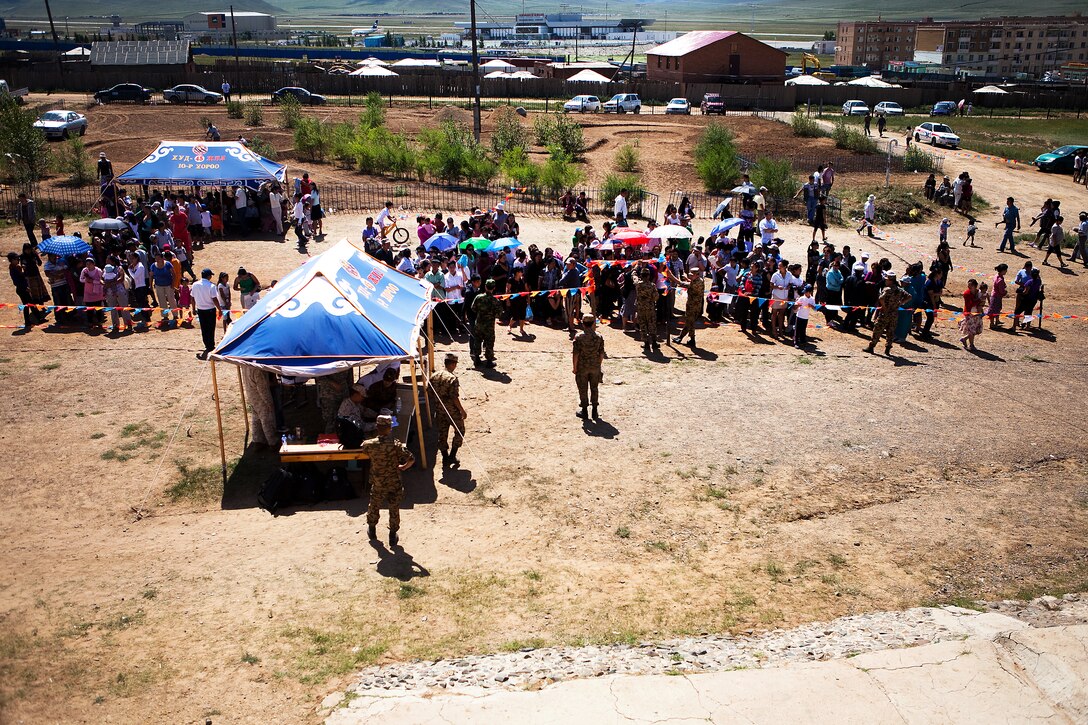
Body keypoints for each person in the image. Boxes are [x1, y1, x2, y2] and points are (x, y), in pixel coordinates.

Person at [360, 415, 414, 547]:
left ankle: (372, 530)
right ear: (390, 428)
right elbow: (411, 459)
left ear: (377, 427)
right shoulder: (396, 445)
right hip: (393, 481)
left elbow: (365, 451)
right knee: (394, 507)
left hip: (378, 481)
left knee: (374, 505)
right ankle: (392, 535)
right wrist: (403, 467)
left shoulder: (369, 445)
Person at [430, 353, 467, 468]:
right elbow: (454, 397)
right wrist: (462, 410)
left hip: (439, 410)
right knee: (460, 430)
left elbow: (429, 392)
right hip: (451, 411)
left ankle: (445, 457)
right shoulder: (452, 379)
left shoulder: (434, 376)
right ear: (452, 364)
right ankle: (452, 455)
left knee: (442, 433)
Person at [865, 273, 912, 355]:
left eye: (886, 279)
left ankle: (871, 347)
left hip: (885, 313)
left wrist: (884, 306)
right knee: (891, 332)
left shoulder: (887, 289)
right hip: (894, 314)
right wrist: (901, 303)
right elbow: (909, 296)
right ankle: (887, 349)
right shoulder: (899, 290)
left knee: (877, 330)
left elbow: (881, 298)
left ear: (891, 281)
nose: (885, 281)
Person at [571, 313, 605, 419]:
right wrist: (598, 365)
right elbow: (601, 354)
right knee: (594, 388)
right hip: (595, 366)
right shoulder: (599, 336)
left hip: (582, 367)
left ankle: (584, 410)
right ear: (593, 323)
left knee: (583, 388)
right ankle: (595, 410)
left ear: (583, 323)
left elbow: (575, 354)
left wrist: (575, 367)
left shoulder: (579, 337)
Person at [470, 279, 502, 367]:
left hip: (479, 323)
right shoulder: (496, 301)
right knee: (489, 342)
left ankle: (476, 359)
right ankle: (489, 361)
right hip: (489, 326)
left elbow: (473, 308)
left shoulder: (478, 297)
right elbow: (499, 314)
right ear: (494, 288)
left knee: (477, 341)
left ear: (485, 287)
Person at [192, 268, 221, 359]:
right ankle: (210, 345)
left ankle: (207, 344)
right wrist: (219, 309)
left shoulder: (195, 285)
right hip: (210, 309)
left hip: (200, 309)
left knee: (204, 328)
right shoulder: (211, 286)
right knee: (211, 328)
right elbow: (214, 299)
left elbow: (192, 297)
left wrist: (193, 308)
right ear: (209, 276)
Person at [673, 268, 705, 347]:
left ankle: (692, 340)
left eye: (692, 275)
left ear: (697, 275)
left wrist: (673, 278)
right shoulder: (697, 280)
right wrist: (687, 279)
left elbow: (684, 284)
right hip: (693, 304)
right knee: (689, 321)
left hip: (693, 305)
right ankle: (681, 337)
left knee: (690, 322)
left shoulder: (698, 282)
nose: (690, 276)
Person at [635, 266, 659, 353]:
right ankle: (654, 342)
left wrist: (634, 271)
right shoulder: (652, 286)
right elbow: (656, 297)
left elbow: (634, 278)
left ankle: (646, 343)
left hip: (641, 308)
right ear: (649, 276)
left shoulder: (638, 284)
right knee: (651, 324)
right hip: (650, 308)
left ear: (641, 275)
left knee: (643, 325)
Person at [150, 252, 176, 323]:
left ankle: (175, 314)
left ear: (162, 258)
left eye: (158, 258)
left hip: (168, 285)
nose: (157, 260)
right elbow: (151, 276)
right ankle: (165, 316)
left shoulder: (167, 264)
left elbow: (173, 274)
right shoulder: (153, 266)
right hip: (159, 285)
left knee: (171, 300)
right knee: (162, 301)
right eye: (156, 258)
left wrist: (173, 284)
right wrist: (151, 285)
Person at [958, 279, 984, 351]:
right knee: (971, 330)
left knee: (976, 329)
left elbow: (982, 302)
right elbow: (970, 304)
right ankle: (971, 345)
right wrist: (979, 300)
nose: (969, 286)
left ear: (975, 286)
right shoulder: (966, 293)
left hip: (977, 313)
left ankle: (964, 339)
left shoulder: (978, 292)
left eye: (971, 285)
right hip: (969, 313)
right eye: (968, 285)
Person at [987, 264, 1008, 330]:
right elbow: (1001, 291)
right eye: (1005, 270)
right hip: (997, 296)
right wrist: (1005, 292)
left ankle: (996, 321)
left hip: (994, 295)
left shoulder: (996, 276)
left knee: (996, 309)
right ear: (1003, 270)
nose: (1006, 271)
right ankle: (992, 324)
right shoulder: (1000, 280)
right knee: (995, 310)